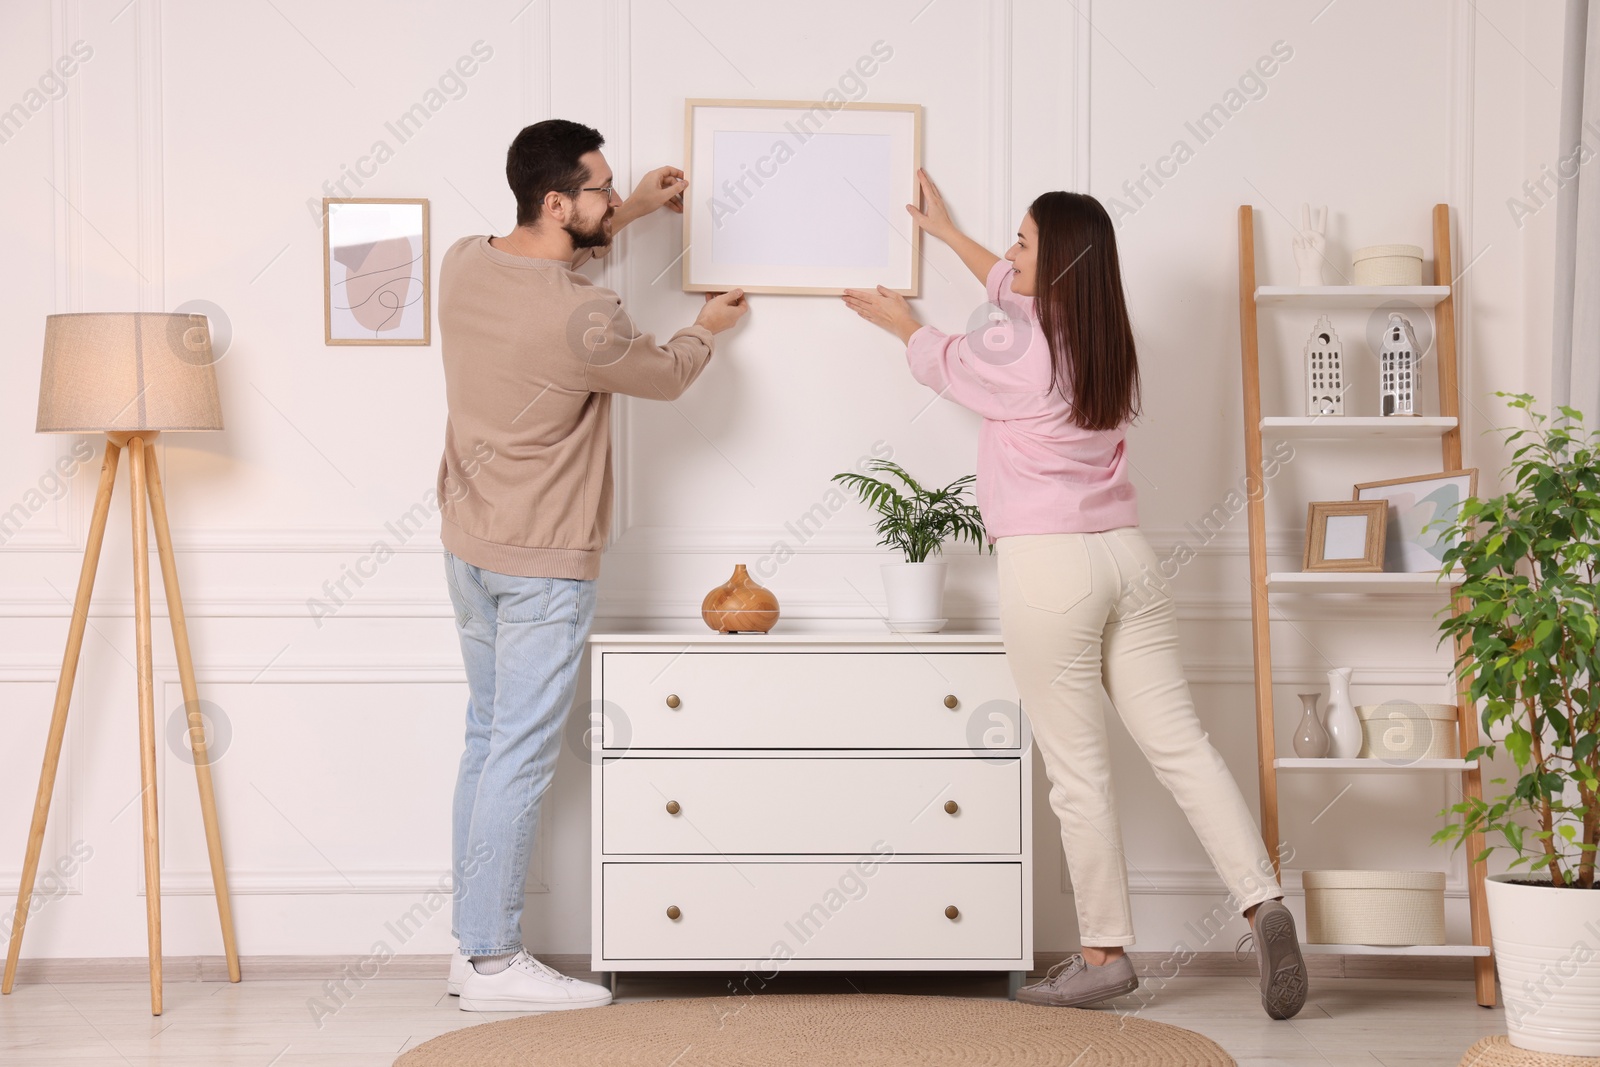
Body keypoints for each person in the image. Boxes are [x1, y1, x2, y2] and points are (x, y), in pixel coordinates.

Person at [841, 171, 1307, 1020]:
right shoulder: (1098, 334)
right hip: (1129, 558)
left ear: (1054, 268)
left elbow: (941, 357)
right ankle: (1262, 900)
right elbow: (1008, 287)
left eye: (1022, 244)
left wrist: (897, 322)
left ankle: (1103, 956)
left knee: (1079, 771)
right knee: (1185, 748)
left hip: (1050, 567)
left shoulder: (1017, 349)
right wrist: (949, 234)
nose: (1008, 254)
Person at [435, 119, 748, 1013]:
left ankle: (471, 949)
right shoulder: (588, 315)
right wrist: (704, 326)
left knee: (486, 741)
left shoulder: (464, 262)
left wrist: (638, 211)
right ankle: (494, 961)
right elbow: (660, 372)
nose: (614, 196)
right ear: (557, 201)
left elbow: (554, 277)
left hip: (469, 547)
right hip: (541, 563)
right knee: (521, 755)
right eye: (603, 188)